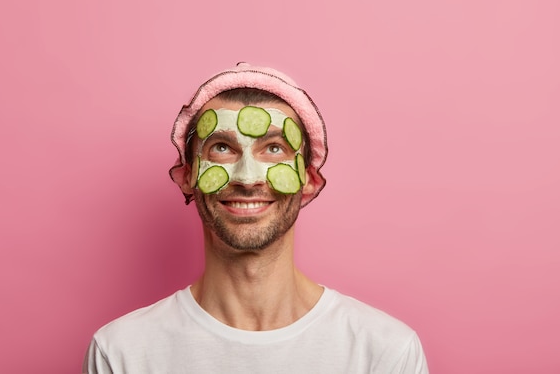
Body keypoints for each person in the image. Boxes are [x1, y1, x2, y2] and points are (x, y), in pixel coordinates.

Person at [83, 63, 429, 373]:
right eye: (221, 148)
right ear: (187, 175)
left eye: (274, 148)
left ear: (309, 178)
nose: (247, 178)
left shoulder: (386, 354)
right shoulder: (121, 354)